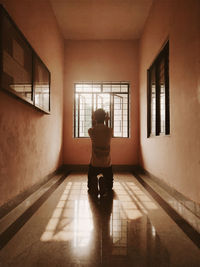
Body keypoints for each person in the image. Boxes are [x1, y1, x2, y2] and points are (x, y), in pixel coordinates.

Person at [88, 108, 113, 197]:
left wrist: (93, 119)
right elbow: (107, 129)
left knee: (89, 187)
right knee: (110, 187)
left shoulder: (91, 131)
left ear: (94, 118)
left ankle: (94, 181)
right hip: (107, 163)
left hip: (95, 163)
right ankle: (104, 182)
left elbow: (93, 127)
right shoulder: (110, 131)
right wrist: (106, 121)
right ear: (105, 117)